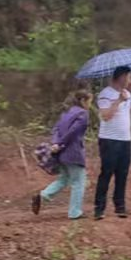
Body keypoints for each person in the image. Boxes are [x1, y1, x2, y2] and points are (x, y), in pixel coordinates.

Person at [33, 90, 91, 220]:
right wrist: (61, 143)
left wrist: (56, 143)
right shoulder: (83, 114)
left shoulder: (66, 114)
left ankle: (43, 195)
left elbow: (57, 129)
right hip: (74, 152)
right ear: (82, 101)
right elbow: (73, 131)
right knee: (79, 181)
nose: (89, 104)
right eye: (88, 101)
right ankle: (75, 212)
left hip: (61, 153)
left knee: (64, 178)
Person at [93, 67, 131, 219]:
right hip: (109, 139)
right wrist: (119, 100)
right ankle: (99, 208)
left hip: (125, 139)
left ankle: (120, 206)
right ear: (121, 77)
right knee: (106, 172)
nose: (129, 80)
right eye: (128, 77)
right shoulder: (105, 94)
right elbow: (105, 116)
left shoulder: (127, 93)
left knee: (122, 174)